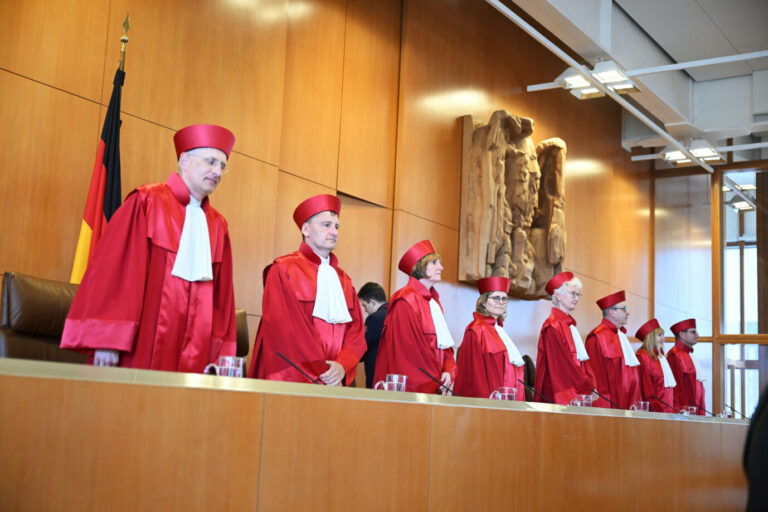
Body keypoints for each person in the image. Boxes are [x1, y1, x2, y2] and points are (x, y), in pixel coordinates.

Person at [61, 124, 237, 371]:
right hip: (139, 345)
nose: (217, 171)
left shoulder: (218, 226)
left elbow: (222, 303)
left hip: (195, 353)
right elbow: (116, 273)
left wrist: (221, 357)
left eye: (222, 165)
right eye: (210, 161)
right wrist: (109, 339)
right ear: (184, 160)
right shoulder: (146, 202)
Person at [248, 194, 366, 386]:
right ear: (305, 229)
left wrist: (341, 366)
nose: (334, 232)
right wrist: (321, 371)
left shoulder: (344, 281)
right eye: (326, 225)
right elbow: (286, 332)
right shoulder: (282, 269)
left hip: (334, 379)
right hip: (296, 378)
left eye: (336, 226)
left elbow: (356, 332)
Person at [374, 240, 456, 394]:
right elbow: (407, 358)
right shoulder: (405, 299)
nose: (441, 267)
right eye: (434, 262)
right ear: (420, 266)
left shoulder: (435, 303)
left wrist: (448, 371)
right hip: (416, 391)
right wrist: (436, 381)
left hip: (436, 387)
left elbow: (445, 348)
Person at [453, 276, 526, 400]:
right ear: (483, 301)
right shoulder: (476, 330)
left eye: (504, 299)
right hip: (490, 403)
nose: (501, 302)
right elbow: (475, 376)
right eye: (496, 298)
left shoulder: (500, 331)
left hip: (511, 402)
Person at [535, 271, 595, 405]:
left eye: (578, 294)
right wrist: (586, 386)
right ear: (558, 295)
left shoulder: (569, 325)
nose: (576, 298)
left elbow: (581, 363)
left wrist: (590, 383)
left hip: (575, 390)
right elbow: (563, 368)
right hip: (559, 395)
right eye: (573, 293)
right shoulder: (553, 325)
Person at [585, 290, 641, 409]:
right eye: (624, 308)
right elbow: (595, 380)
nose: (628, 312)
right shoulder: (597, 338)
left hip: (628, 404)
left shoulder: (621, 336)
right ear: (612, 312)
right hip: (611, 407)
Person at [634, 318, 677, 413]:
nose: (663, 338)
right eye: (659, 335)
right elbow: (646, 391)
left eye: (663, 335)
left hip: (668, 412)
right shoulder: (643, 357)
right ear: (650, 337)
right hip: (655, 413)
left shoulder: (661, 358)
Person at [667, 318, 706, 415]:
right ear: (682, 334)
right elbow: (674, 388)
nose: (697, 335)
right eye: (693, 332)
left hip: (695, 410)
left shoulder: (690, 354)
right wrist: (678, 409)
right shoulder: (674, 355)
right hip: (683, 412)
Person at [357, 282, 388, 388]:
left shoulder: (375, 318)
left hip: (378, 378)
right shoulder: (396, 313)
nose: (365, 311)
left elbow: (361, 347)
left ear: (372, 302)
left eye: (364, 305)